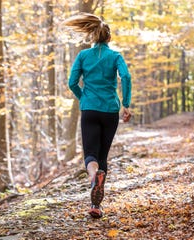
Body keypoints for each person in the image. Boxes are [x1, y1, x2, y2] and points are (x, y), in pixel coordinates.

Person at [63, 13, 132, 218]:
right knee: (103, 156)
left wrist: (83, 97)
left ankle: (94, 178)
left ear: (92, 36)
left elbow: (72, 83)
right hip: (110, 110)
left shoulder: (83, 56)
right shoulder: (116, 56)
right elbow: (126, 76)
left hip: (89, 110)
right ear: (108, 37)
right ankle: (96, 205)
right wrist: (126, 104)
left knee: (90, 154)